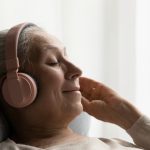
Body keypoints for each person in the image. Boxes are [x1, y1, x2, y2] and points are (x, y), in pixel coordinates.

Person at [0, 22, 149, 150]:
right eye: (53, 62)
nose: (77, 71)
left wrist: (130, 118)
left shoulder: (114, 144)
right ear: (15, 88)